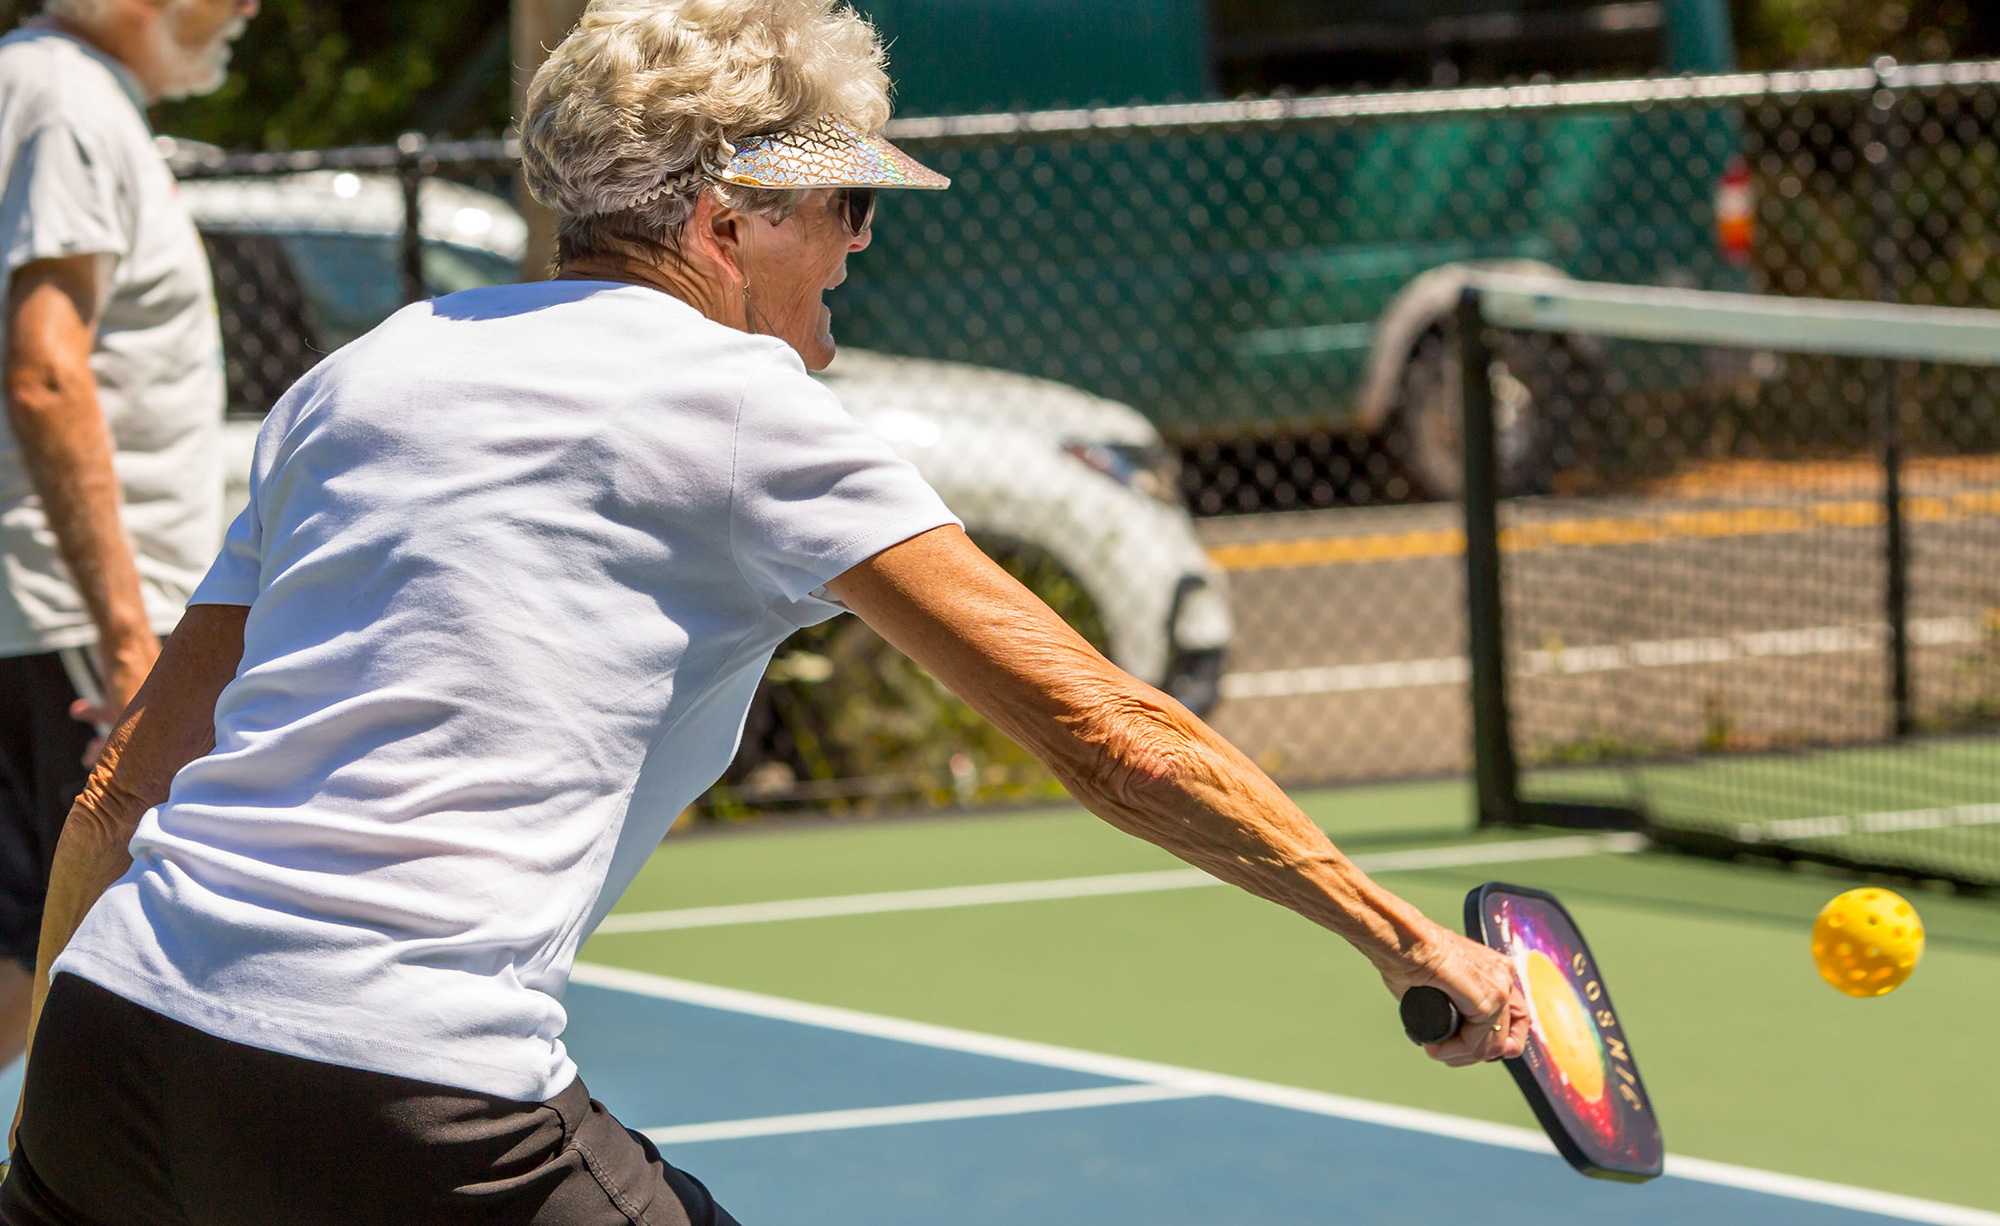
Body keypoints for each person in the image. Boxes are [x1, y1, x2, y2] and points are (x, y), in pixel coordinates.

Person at [4, 1, 1529, 1222]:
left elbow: (123, 782)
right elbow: (1108, 732)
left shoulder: (370, 370)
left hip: (113, 1034)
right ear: (731, 215)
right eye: (849, 205)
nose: (862, 246)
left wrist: (68, 1096)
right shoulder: (747, 406)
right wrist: (1406, 942)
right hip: (407, 1083)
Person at [0, 0, 257, 1067]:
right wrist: (121, 638)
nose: (246, 7)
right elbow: (45, 368)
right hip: (69, 620)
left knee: (48, 963)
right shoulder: (60, 97)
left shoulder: (68, 92)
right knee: (67, 960)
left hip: (64, 614)